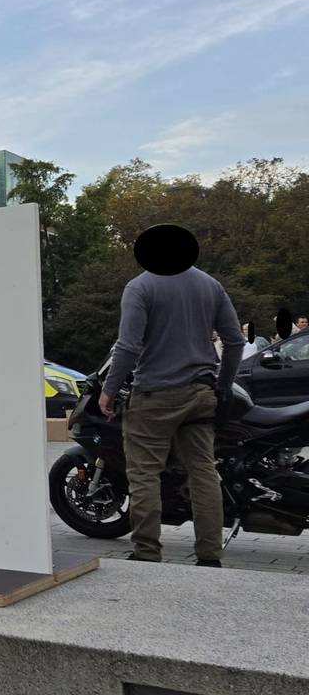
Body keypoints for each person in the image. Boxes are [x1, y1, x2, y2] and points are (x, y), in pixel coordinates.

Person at [100, 224, 243, 568]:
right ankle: (210, 555)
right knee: (204, 472)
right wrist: (221, 386)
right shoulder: (211, 285)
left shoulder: (140, 287)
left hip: (155, 395)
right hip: (200, 393)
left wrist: (108, 390)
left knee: (145, 473)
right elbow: (235, 341)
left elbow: (129, 346)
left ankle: (148, 552)